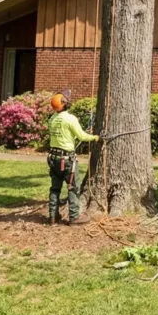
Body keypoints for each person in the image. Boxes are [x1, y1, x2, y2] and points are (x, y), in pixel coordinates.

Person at [47, 92, 99, 226]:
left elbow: (66, 135)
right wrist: (95, 137)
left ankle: (53, 217)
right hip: (67, 160)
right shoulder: (70, 119)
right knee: (73, 187)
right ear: (64, 104)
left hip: (54, 159)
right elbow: (81, 136)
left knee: (55, 188)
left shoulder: (52, 119)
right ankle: (74, 218)